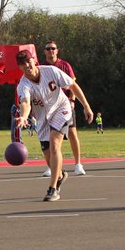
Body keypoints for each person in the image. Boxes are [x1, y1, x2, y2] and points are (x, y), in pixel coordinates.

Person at [13, 49, 93, 202]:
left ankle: (53, 189)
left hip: (61, 109)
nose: (27, 65)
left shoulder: (51, 71)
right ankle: (60, 175)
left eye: (28, 61)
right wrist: (23, 117)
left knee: (55, 144)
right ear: (20, 67)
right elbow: (25, 103)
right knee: (48, 155)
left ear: (34, 60)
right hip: (43, 118)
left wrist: (86, 106)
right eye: (23, 64)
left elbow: (72, 86)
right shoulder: (23, 85)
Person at [40, 41, 87, 176]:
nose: (51, 51)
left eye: (53, 49)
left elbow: (73, 84)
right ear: (45, 51)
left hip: (65, 105)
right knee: (49, 138)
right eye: (48, 49)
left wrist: (72, 100)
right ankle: (52, 166)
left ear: (57, 51)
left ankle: (78, 164)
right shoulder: (42, 68)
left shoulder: (64, 65)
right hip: (49, 107)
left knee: (72, 133)